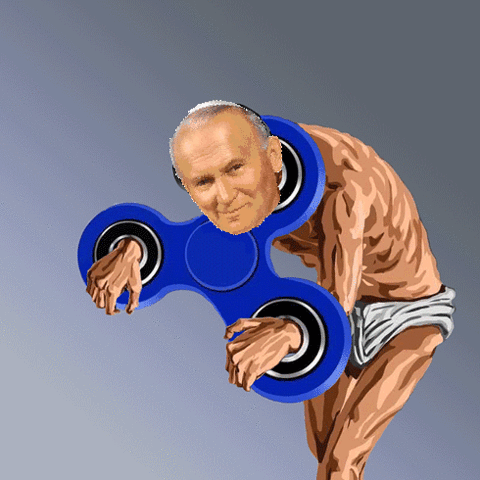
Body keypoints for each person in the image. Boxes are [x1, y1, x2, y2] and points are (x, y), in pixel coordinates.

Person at [85, 101, 455, 480]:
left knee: (341, 463)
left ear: (274, 156)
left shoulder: (342, 187)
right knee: (322, 449)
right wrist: (131, 250)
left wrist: (292, 331)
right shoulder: (253, 187)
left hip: (407, 314)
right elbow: (187, 248)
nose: (225, 196)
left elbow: (336, 307)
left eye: (234, 169)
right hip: (336, 305)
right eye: (203, 183)